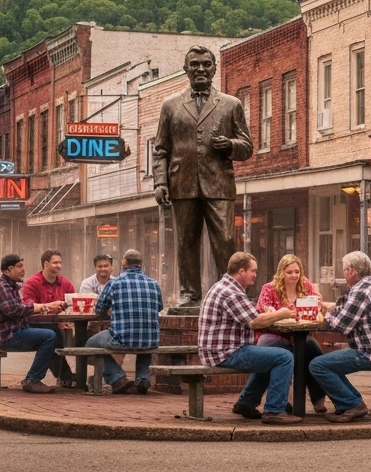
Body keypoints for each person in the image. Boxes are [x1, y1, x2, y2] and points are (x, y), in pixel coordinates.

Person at [152, 46, 254, 307]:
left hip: (219, 184)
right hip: (182, 184)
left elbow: (247, 146)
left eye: (206, 65)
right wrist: (160, 182)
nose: (200, 69)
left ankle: (230, 294)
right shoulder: (170, 105)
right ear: (186, 69)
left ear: (214, 69)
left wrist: (230, 145)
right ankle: (190, 295)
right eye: (195, 65)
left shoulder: (231, 104)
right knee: (186, 242)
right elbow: (161, 149)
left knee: (225, 241)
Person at [197, 251, 300, 424]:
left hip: (219, 350)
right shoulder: (231, 292)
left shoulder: (225, 287)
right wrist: (281, 314)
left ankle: (246, 402)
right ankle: (274, 411)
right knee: (284, 357)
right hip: (226, 352)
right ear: (241, 271)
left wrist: (271, 314)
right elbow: (256, 321)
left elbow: (251, 314)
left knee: (271, 355)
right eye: (253, 271)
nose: (255, 275)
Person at [309, 251, 371, 423]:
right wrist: (331, 308)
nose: (344, 275)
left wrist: (324, 314)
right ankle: (351, 403)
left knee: (318, 365)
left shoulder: (360, 291)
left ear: (351, 270)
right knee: (329, 362)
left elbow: (340, 325)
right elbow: (348, 310)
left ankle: (352, 404)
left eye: (344, 270)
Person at [253, 254, 328, 414]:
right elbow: (263, 310)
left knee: (312, 351)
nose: (294, 275)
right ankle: (281, 400)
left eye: (297, 272)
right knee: (277, 353)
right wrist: (276, 312)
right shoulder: (269, 288)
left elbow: (316, 307)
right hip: (274, 333)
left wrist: (319, 305)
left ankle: (318, 399)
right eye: (289, 272)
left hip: (299, 334)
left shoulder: (306, 286)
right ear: (281, 273)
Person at [83, 249, 163, 395]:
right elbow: (159, 307)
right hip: (151, 339)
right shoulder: (154, 284)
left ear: (124, 263)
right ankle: (143, 377)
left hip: (122, 338)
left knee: (90, 345)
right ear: (141, 264)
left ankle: (116, 377)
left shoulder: (115, 283)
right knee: (144, 340)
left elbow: (99, 308)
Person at [0, 254, 65, 394]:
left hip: (17, 330)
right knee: (49, 336)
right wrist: (44, 307)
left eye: (23, 266)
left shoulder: (11, 286)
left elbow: (22, 307)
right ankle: (33, 379)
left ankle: (66, 377)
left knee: (53, 332)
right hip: (8, 335)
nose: (23, 270)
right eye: (19, 266)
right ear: (7, 270)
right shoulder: (2, 287)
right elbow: (15, 310)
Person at [22, 249, 77, 388]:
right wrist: (49, 310)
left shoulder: (66, 284)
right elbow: (28, 309)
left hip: (60, 326)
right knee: (52, 335)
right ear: (45, 264)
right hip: (35, 326)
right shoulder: (32, 283)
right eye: (55, 263)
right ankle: (66, 377)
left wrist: (66, 320)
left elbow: (74, 306)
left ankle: (67, 377)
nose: (58, 266)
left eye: (60, 263)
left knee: (82, 336)